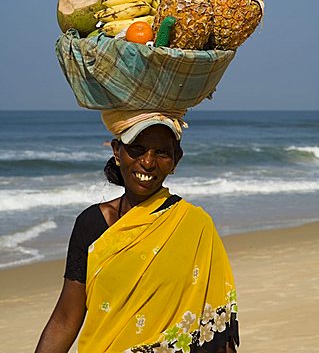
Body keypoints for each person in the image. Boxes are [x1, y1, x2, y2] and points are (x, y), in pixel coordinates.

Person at [35, 118, 239, 353]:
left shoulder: (195, 225)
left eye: (162, 152)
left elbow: (216, 329)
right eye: (137, 149)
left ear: (175, 160)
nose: (148, 162)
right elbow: (65, 318)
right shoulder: (91, 224)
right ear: (117, 152)